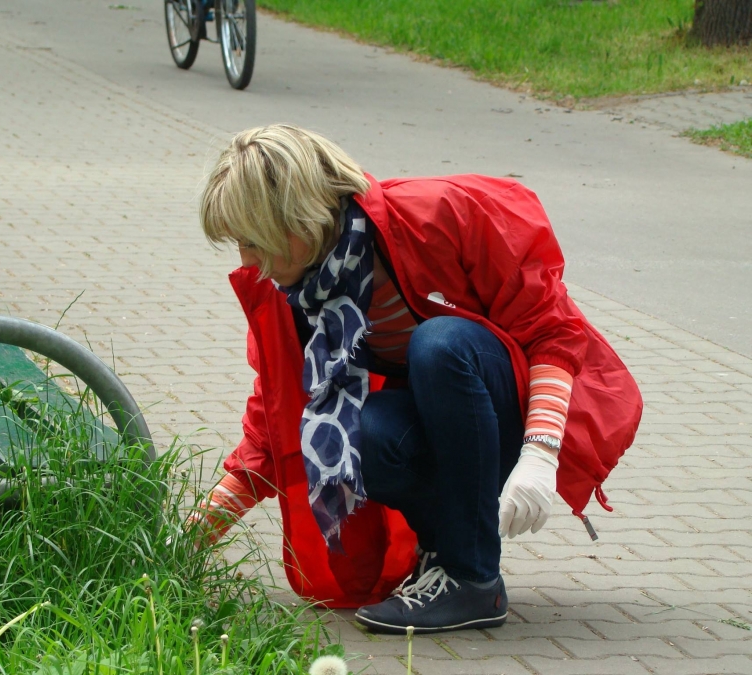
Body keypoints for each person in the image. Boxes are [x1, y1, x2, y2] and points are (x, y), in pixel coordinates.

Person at [193, 124, 642, 634]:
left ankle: (472, 577)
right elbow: (272, 421)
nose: (247, 261)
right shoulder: (295, 295)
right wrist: (190, 539)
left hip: (516, 414)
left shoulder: (439, 215)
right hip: (448, 425)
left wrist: (541, 452)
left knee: (439, 343)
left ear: (298, 217)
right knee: (357, 434)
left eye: (253, 241)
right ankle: (441, 555)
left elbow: (552, 330)